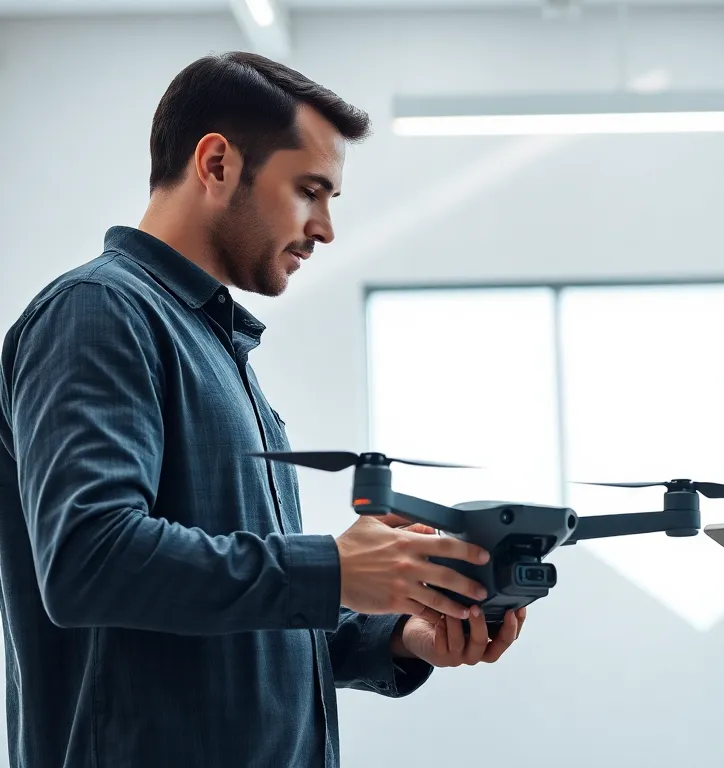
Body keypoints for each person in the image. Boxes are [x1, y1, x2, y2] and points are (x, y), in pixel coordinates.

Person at [0, 52, 527, 768]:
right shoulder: (98, 313)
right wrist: (333, 570)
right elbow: (89, 559)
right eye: (311, 190)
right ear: (216, 164)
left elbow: (243, 621)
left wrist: (398, 635)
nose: (326, 227)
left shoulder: (217, 347)